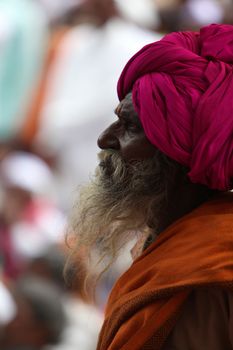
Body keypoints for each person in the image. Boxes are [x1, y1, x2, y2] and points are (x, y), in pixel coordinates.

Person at [68, 23, 233, 349]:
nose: (105, 138)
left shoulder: (212, 277)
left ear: (176, 154)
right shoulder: (165, 240)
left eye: (129, 126)